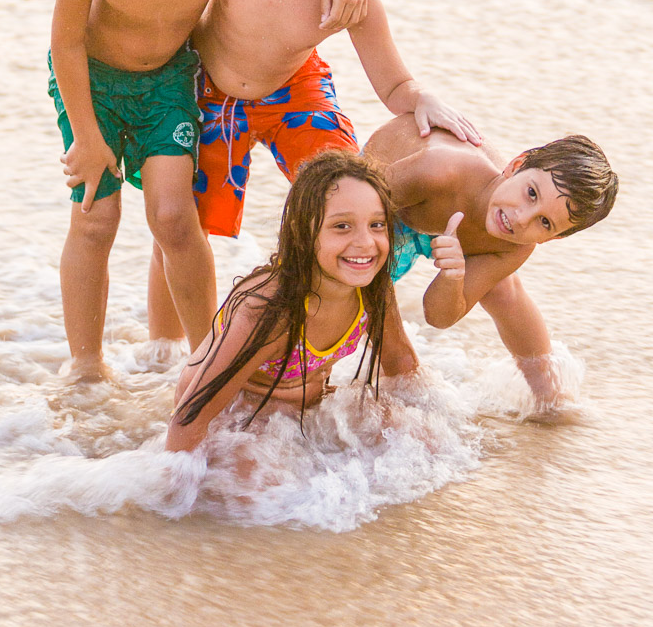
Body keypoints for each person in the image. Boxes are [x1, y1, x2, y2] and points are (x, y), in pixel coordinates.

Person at [82, 0, 478, 343]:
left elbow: (392, 84)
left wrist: (420, 97)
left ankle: (367, 346)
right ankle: (169, 350)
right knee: (179, 229)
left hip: (297, 90)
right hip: (212, 97)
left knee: (350, 201)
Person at [49, 0, 365, 382]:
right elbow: (65, 42)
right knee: (96, 217)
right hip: (91, 82)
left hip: (171, 78)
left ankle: (207, 357)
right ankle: (86, 366)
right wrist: (89, 139)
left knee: (174, 217)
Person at [166, 150, 447, 452]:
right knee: (265, 490)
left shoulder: (372, 290)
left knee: (423, 437)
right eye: (342, 226)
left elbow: (402, 365)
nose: (366, 242)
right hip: (233, 418)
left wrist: (433, 413)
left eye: (377, 225)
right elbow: (191, 415)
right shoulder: (270, 310)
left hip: (305, 411)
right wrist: (177, 482)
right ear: (304, 232)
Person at [364, 116, 619, 407]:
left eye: (545, 222)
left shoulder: (516, 243)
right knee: (394, 345)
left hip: (443, 227)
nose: (521, 218)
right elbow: (350, 209)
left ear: (553, 239)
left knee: (501, 288)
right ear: (515, 165)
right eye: (531, 193)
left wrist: (454, 277)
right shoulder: (440, 170)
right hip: (386, 200)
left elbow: (439, 316)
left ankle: (550, 395)